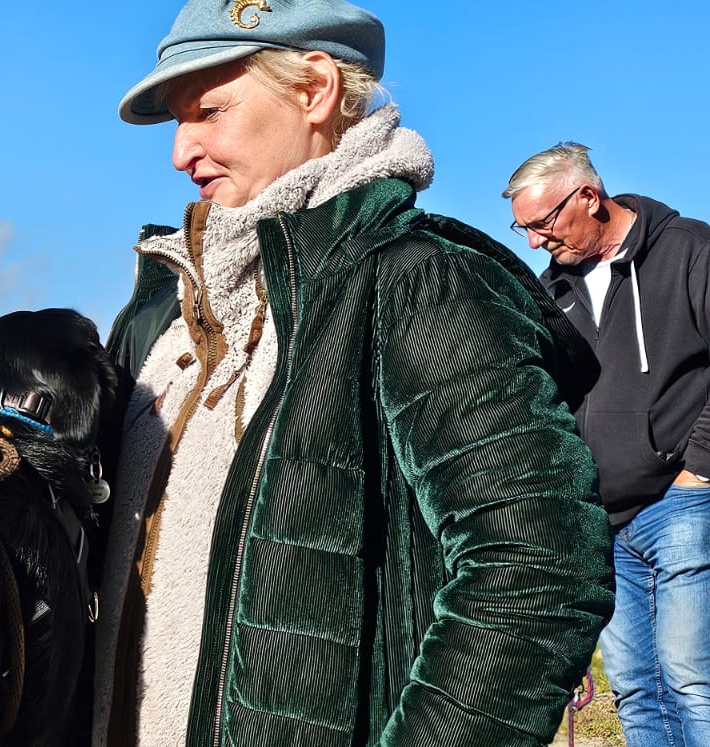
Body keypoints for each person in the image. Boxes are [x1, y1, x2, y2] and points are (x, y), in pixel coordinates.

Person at [92, 1, 614, 744]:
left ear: (315, 90)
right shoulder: (157, 316)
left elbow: (535, 563)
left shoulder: (418, 282)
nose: (181, 150)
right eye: (178, 121)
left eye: (208, 110)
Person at [504, 142, 710, 747]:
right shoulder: (550, 294)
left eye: (542, 224)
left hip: (682, 504)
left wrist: (698, 467)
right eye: (523, 229)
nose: (536, 242)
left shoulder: (689, 251)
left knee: (693, 678)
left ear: (589, 197)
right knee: (637, 688)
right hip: (601, 520)